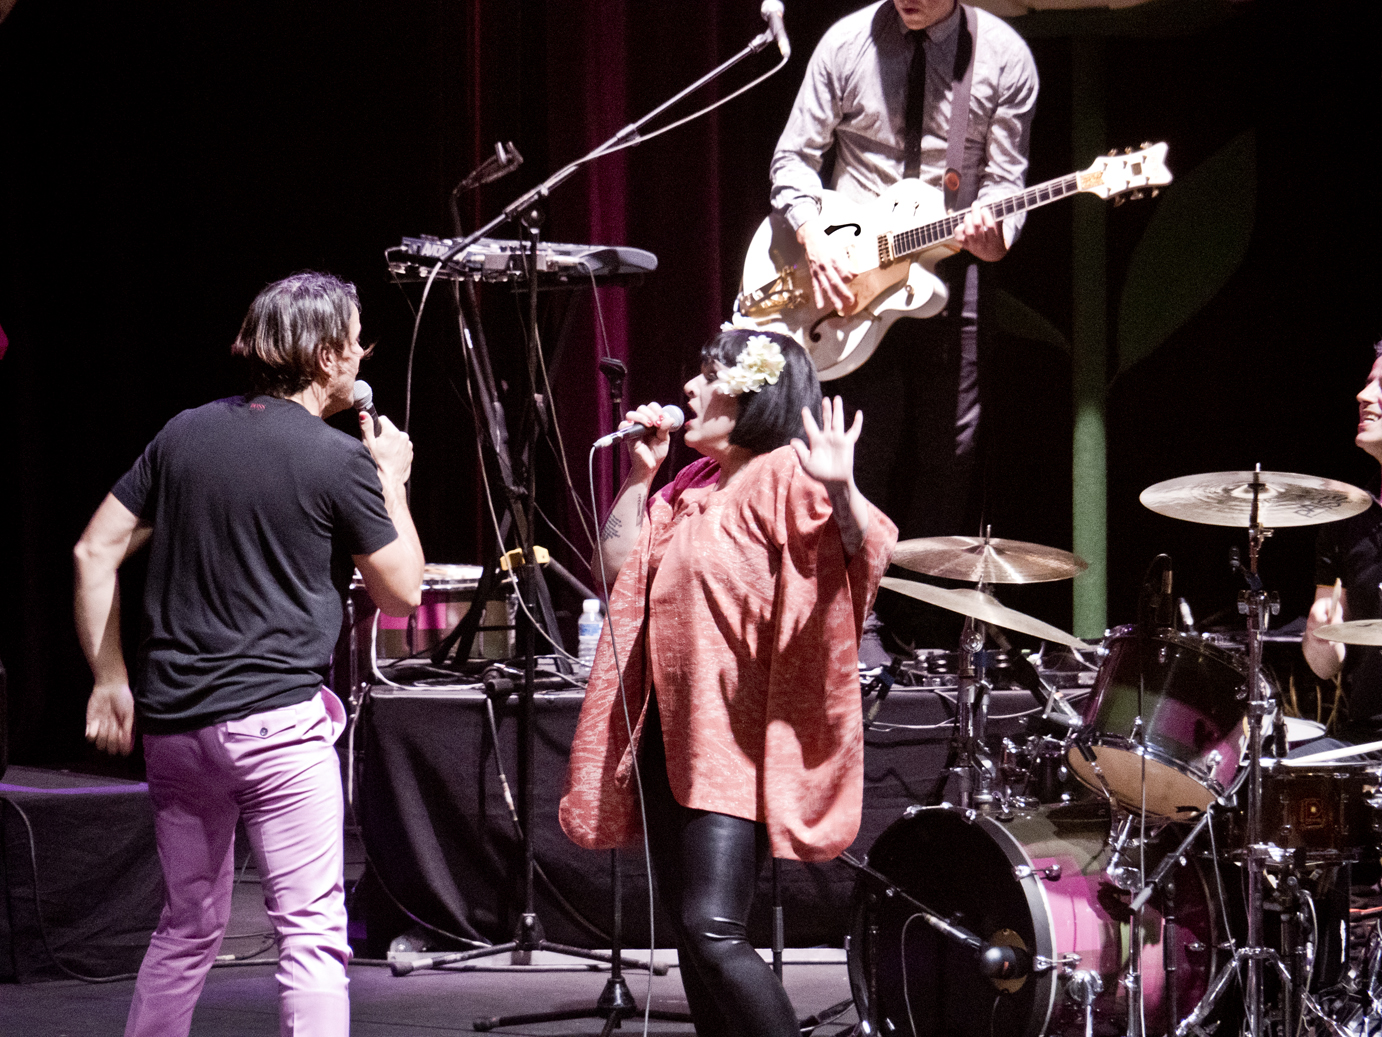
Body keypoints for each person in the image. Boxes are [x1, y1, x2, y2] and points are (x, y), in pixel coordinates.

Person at [74, 272, 424, 1037]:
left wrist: (110, 680)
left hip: (177, 729)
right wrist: (392, 481)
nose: (363, 354)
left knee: (185, 926)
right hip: (276, 729)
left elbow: (93, 551)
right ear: (328, 355)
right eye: (356, 340)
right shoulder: (338, 459)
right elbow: (402, 593)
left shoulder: (183, 435)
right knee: (311, 937)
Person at [560, 328, 896, 1037]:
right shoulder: (689, 484)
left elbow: (862, 547)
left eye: (708, 374)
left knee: (711, 928)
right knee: (692, 938)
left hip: (731, 740)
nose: (689, 388)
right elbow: (616, 567)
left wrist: (841, 488)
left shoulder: (783, 473)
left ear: (752, 395)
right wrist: (639, 477)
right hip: (667, 734)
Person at [770, 0, 1037, 645]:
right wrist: (813, 235)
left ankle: (917, 632)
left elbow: (1006, 184)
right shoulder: (847, 43)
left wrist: (994, 232)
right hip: (849, 274)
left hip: (947, 270)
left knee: (950, 454)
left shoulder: (1003, 56)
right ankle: (845, 621)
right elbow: (793, 159)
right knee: (861, 444)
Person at [1303, 342, 1382, 744]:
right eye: (1368, 383)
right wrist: (1320, 633)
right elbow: (1324, 668)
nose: (1363, 395)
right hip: (1367, 738)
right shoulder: (1346, 519)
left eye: (1381, 387)